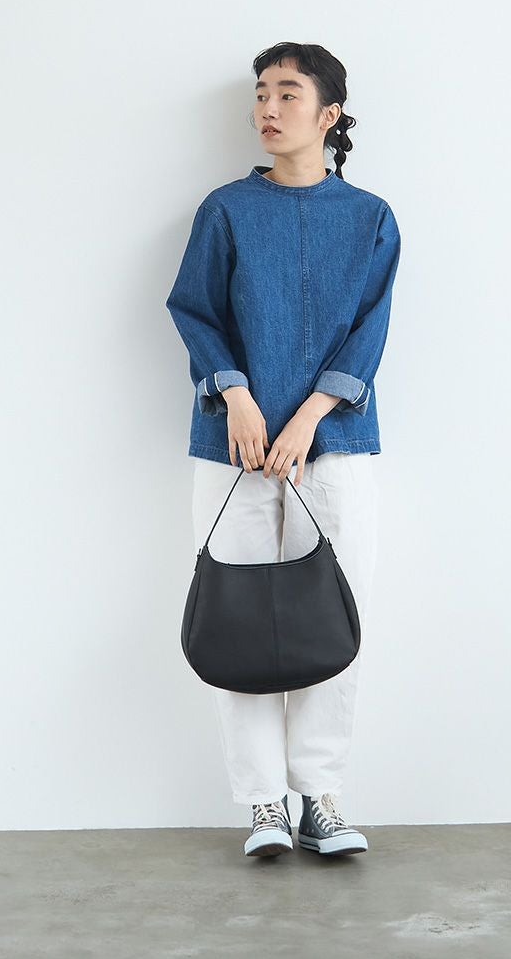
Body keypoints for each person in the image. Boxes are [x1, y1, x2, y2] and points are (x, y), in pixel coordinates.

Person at [165, 42, 401, 858]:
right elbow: (194, 309)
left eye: (287, 93)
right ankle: (265, 804)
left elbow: (370, 328)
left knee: (334, 617)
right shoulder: (226, 209)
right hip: (234, 447)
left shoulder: (370, 218)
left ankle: (319, 795)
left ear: (328, 114)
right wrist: (235, 393)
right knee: (238, 622)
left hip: (333, 443)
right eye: (261, 92)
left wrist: (309, 416)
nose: (268, 107)